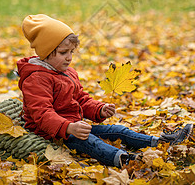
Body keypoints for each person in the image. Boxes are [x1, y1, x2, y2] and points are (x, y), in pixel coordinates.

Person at [17, 14, 193, 168]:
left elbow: (81, 99)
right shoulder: (36, 78)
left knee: (118, 130)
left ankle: (160, 142)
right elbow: (41, 114)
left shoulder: (67, 72)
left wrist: (99, 109)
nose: (69, 57)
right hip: (53, 133)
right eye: (64, 52)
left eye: (72, 51)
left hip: (75, 126)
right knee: (91, 142)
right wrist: (68, 127)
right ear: (46, 52)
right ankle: (127, 161)